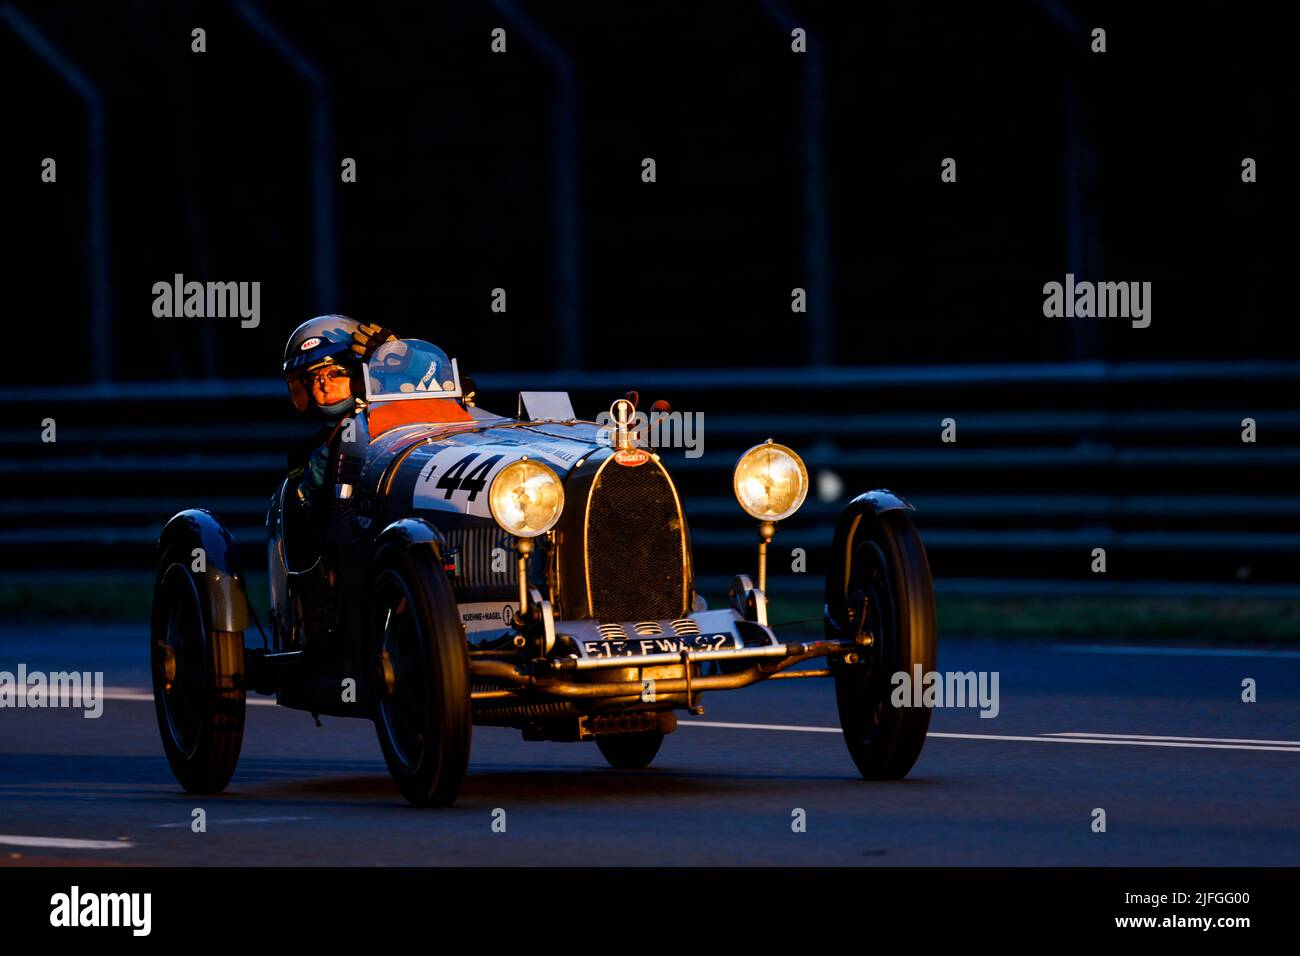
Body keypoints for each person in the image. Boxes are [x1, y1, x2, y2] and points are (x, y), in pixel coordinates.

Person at [280, 316, 397, 560]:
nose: (325, 385)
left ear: (357, 373)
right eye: (314, 377)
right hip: (348, 558)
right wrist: (309, 486)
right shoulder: (304, 454)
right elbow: (295, 518)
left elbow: (461, 399)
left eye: (336, 373)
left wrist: (399, 359)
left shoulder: (400, 418)